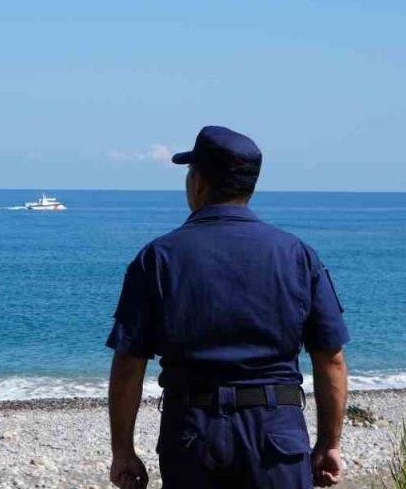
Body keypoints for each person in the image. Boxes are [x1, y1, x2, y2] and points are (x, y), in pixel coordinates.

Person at [105, 126, 350, 488]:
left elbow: (129, 364)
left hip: (193, 434)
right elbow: (331, 359)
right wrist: (329, 444)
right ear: (249, 186)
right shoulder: (297, 256)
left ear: (199, 182)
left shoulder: (158, 258)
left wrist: (123, 450)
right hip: (276, 435)